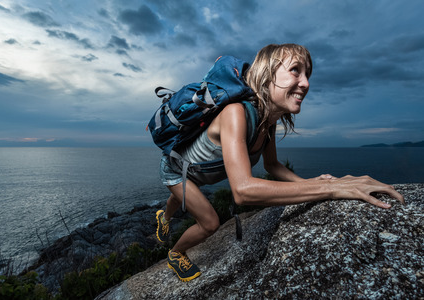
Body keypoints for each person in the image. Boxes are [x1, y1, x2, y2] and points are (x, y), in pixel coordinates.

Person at [155, 43, 405, 282]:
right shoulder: (236, 114)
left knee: (181, 198)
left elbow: (272, 165)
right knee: (209, 222)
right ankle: (175, 253)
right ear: (267, 73)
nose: (306, 83)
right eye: (295, 70)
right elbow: (243, 191)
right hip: (177, 169)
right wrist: (330, 189)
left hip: (198, 173)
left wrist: (311, 182)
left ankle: (163, 218)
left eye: (307, 74)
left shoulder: (267, 123)